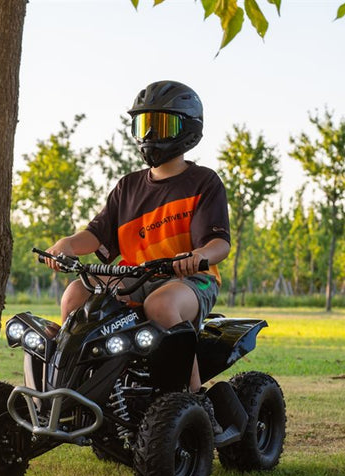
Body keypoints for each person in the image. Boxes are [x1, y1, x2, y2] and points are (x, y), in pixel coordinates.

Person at [43, 80, 230, 394]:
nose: (150, 135)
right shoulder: (128, 186)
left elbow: (219, 243)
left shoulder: (203, 182)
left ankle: (194, 399)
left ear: (188, 129)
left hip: (190, 280)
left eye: (162, 125)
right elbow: (96, 234)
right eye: (143, 125)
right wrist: (67, 245)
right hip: (132, 276)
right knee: (76, 294)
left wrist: (199, 257)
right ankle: (76, 391)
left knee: (161, 304)